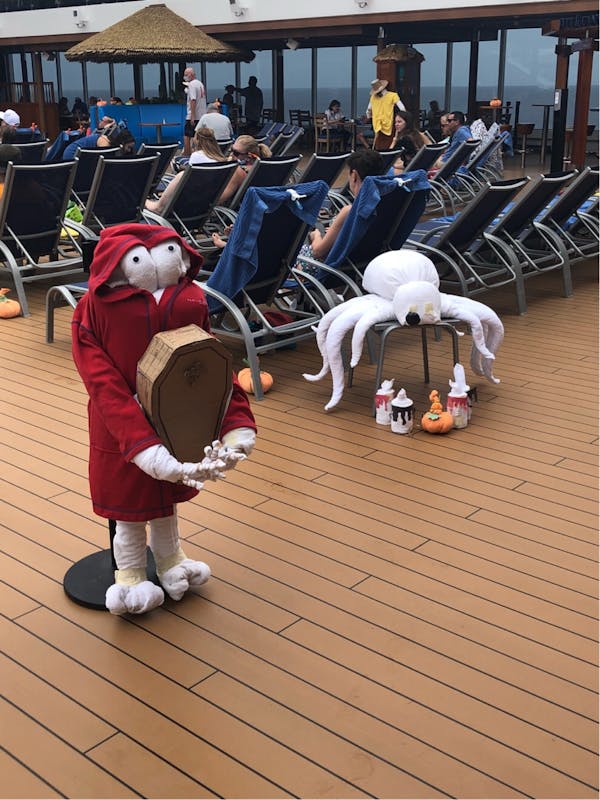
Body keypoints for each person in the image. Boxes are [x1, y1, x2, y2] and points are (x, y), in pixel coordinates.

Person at [297, 149, 384, 267]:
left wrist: (316, 235)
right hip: (363, 264)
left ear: (354, 176)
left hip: (329, 268)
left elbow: (318, 252)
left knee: (292, 253)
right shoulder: (382, 205)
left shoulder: (350, 211)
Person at [366, 78, 405, 151]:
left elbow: (368, 110)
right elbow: (402, 109)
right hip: (390, 124)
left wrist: (371, 118)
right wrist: (400, 121)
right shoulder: (393, 95)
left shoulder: (373, 97)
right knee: (389, 144)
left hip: (377, 125)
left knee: (378, 145)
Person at [182, 66, 206, 156]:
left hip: (194, 115)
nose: (184, 76)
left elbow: (193, 100)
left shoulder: (192, 84)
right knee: (198, 136)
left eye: (186, 75)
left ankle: (187, 154)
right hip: (201, 115)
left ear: (191, 75)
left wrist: (192, 115)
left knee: (187, 136)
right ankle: (199, 153)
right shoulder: (200, 84)